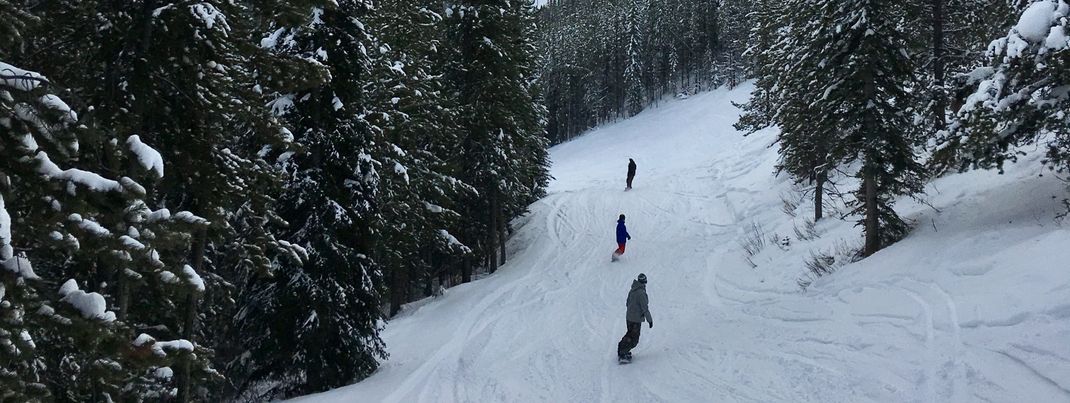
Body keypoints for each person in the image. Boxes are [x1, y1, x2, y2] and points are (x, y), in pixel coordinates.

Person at [617, 273, 652, 361]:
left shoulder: (632, 290)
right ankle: (623, 352)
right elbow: (645, 308)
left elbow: (627, 303)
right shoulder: (641, 293)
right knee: (634, 339)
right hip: (635, 319)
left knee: (630, 334)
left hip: (629, 317)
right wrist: (649, 320)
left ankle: (622, 348)